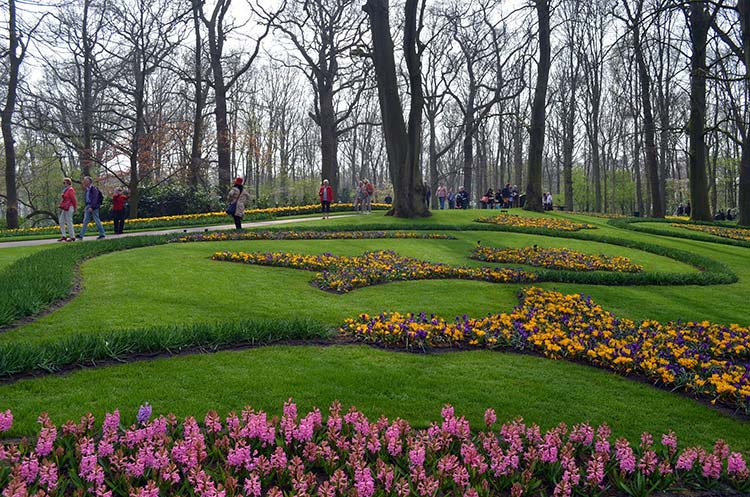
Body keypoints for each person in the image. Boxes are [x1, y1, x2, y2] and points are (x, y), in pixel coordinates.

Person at [58, 178, 77, 242]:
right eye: (63, 183)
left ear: (68, 183)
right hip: (65, 207)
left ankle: (72, 237)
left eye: (65, 183)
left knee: (69, 221)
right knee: (61, 221)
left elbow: (73, 199)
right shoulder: (65, 190)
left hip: (70, 207)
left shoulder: (70, 190)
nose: (64, 184)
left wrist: (75, 208)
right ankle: (64, 236)